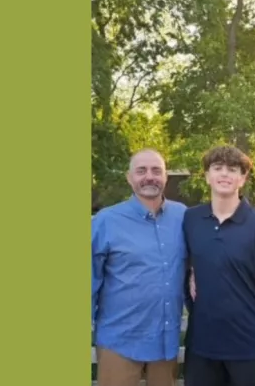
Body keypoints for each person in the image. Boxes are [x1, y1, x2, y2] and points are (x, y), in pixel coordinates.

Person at [183, 145, 255, 386]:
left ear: (243, 178)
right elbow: (187, 261)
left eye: (233, 169)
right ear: (207, 176)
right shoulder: (191, 219)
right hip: (201, 346)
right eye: (217, 168)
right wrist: (192, 272)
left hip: (248, 346)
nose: (225, 174)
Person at [91, 149, 187, 386]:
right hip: (120, 341)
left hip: (165, 341)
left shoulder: (183, 216)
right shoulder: (106, 221)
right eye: (141, 171)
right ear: (129, 177)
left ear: (165, 177)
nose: (149, 177)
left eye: (156, 171)